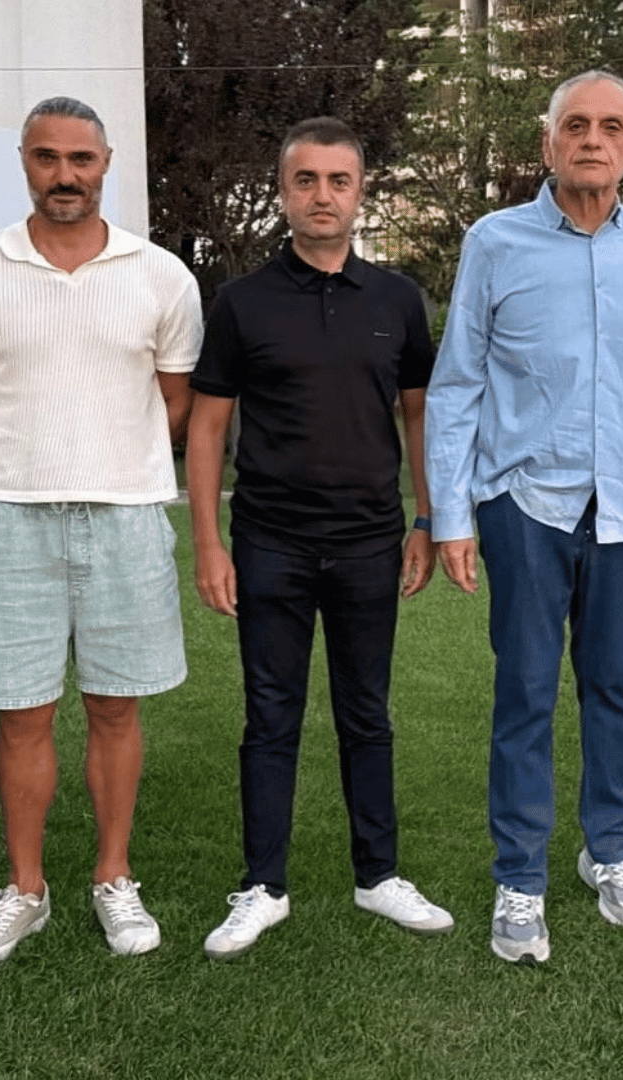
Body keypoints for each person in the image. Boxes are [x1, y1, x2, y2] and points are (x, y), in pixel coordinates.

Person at [426, 70, 623, 965]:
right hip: (524, 504)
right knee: (526, 691)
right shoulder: (495, 242)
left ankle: (608, 849)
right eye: (575, 125)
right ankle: (520, 875)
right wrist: (450, 515)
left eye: (611, 127)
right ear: (548, 144)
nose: (592, 139)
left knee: (613, 685)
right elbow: (457, 383)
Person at [0, 96, 200, 963]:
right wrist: (27, 460)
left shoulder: (161, 275)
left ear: (106, 164)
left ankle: (113, 876)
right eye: (46, 157)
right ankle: (25, 889)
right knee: (22, 716)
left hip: (126, 515)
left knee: (116, 709)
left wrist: (105, 460)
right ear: (24, 162)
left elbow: (174, 402)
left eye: (81, 159)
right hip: (10, 517)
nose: (64, 175)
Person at [187, 117, 453, 960]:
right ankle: (263, 886)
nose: (323, 195)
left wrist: (427, 518)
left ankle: (378, 874)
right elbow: (206, 427)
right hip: (270, 543)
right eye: (306, 180)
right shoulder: (242, 302)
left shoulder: (398, 301)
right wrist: (207, 543)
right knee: (270, 717)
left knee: (366, 714)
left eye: (339, 180)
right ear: (283, 193)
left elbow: (420, 417)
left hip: (372, 541)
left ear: (360, 191)